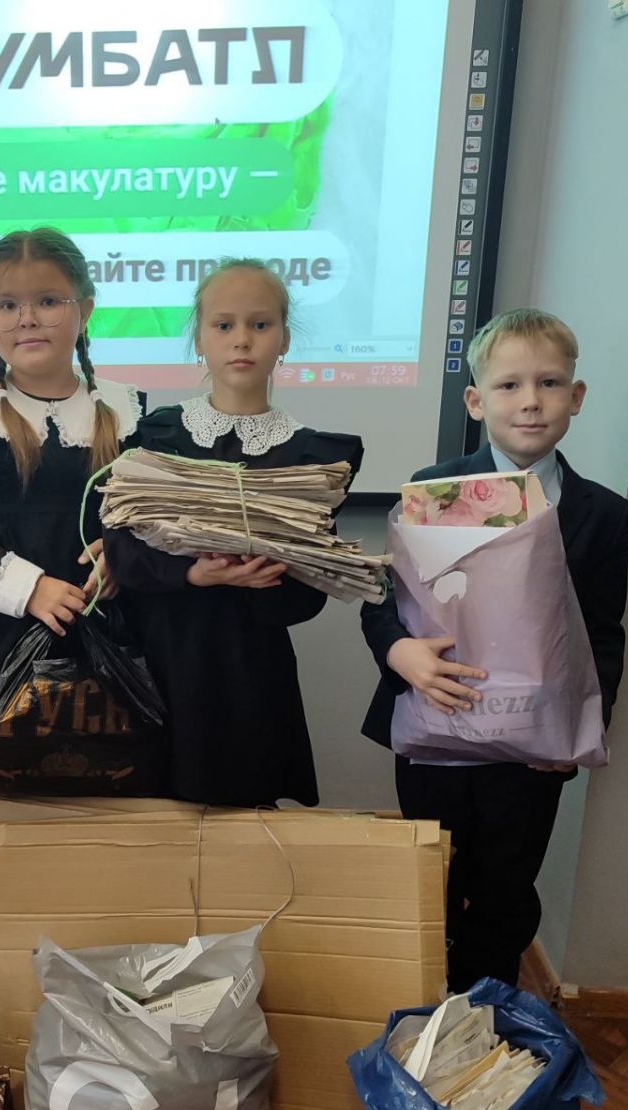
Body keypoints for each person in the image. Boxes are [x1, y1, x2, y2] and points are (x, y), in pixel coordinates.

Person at [360, 307, 628, 992]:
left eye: (549, 382)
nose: (530, 400)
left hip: (533, 748)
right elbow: (383, 598)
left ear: (576, 396)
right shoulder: (437, 489)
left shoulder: (603, 512)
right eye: (509, 385)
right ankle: (424, 1008)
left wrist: (580, 727)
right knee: (432, 879)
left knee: (506, 889)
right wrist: (400, 652)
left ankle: (489, 1015)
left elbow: (603, 630)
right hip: (439, 725)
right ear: (477, 401)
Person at [104, 259, 363, 806]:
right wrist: (191, 573)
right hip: (160, 660)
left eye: (260, 324)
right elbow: (121, 548)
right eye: (223, 325)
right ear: (200, 339)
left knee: (244, 821)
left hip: (249, 670)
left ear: (284, 339)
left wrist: (261, 577)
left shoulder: (310, 456)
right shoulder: (157, 435)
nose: (241, 339)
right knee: (149, 821)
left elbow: (310, 591)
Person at [0, 227, 143, 807]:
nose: (27, 319)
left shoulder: (128, 408)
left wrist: (123, 555)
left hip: (105, 632)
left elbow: (148, 516)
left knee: (105, 787)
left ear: (85, 310)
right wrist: (30, 587)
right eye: (8, 305)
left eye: (47, 301)